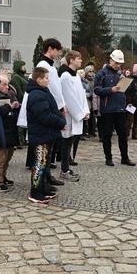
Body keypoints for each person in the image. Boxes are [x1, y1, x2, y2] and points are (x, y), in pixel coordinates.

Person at [26, 67, 67, 203]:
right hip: (40, 134)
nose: (48, 81)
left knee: (45, 162)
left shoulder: (43, 91)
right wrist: (59, 123)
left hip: (46, 133)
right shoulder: (36, 94)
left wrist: (61, 120)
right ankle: (35, 192)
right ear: (39, 80)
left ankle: (42, 187)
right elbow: (44, 115)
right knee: (39, 163)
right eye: (46, 78)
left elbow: (53, 109)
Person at [93, 50, 135, 166]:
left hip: (120, 108)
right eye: (116, 63)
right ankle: (108, 157)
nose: (118, 65)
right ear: (110, 60)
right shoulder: (101, 73)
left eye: (120, 63)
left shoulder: (120, 73)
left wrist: (125, 81)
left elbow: (126, 90)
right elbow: (96, 90)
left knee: (123, 134)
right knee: (107, 135)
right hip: (107, 109)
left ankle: (125, 157)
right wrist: (110, 90)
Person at [58, 50, 88, 181]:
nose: (81, 61)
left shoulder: (75, 75)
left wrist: (85, 111)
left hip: (76, 113)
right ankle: (64, 170)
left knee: (70, 141)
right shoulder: (65, 75)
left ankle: (66, 168)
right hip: (69, 114)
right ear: (71, 60)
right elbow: (69, 97)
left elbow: (81, 94)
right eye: (79, 58)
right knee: (66, 141)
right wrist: (79, 114)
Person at [0, 74, 21, 191]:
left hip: (10, 132)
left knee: (7, 157)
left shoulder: (10, 95)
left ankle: (2, 177)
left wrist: (16, 108)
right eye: (4, 84)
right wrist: (8, 108)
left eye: (8, 84)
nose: (7, 87)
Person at [10, 60, 28, 146]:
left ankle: (23, 139)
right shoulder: (16, 77)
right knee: (21, 122)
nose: (24, 68)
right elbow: (18, 90)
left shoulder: (22, 77)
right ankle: (21, 141)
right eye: (23, 66)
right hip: (21, 102)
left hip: (25, 100)